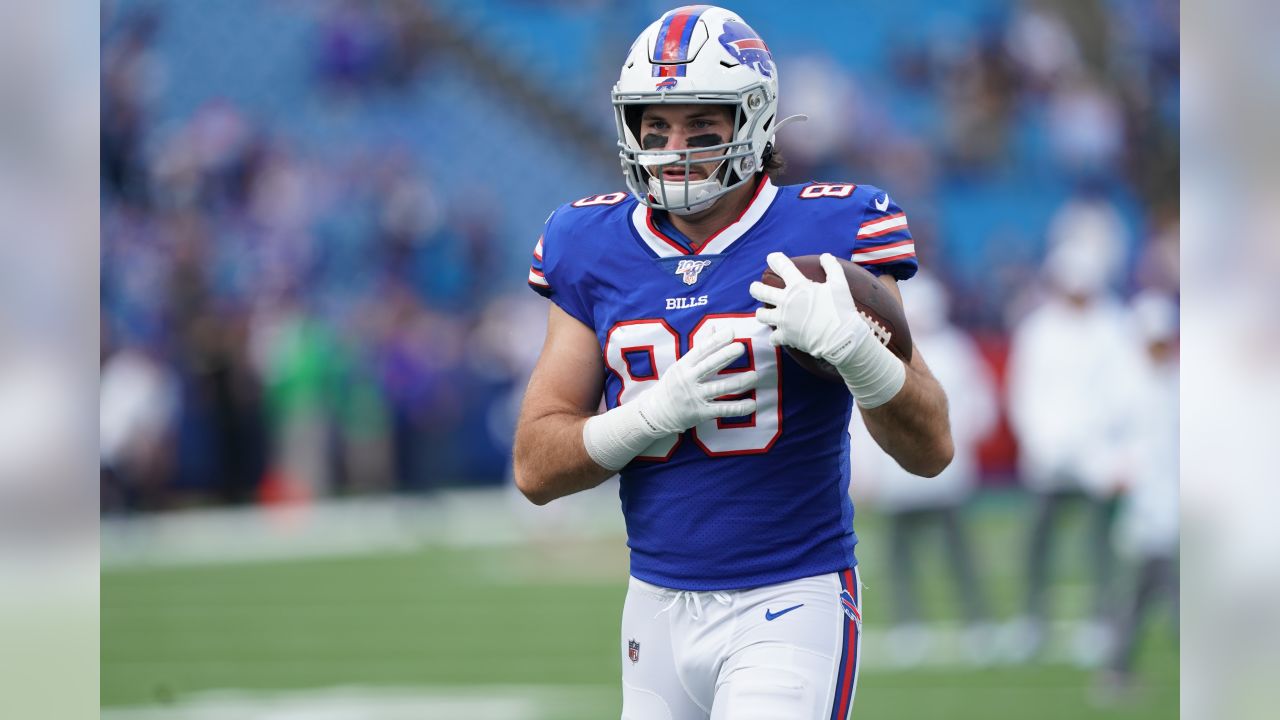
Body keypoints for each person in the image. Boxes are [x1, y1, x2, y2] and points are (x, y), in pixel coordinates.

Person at [513, 6, 952, 718]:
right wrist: (648, 415)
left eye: (699, 127)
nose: (673, 148)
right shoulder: (587, 242)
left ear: (752, 124)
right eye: (655, 128)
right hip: (653, 606)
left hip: (791, 595)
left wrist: (855, 352)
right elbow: (535, 466)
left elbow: (931, 447)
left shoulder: (834, 230)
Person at [1004, 203, 1146, 665]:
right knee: (1039, 543)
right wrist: (1041, 440)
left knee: (1101, 544)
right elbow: (1023, 391)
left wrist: (1109, 448)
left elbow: (1124, 394)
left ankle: (1104, 623)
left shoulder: (1114, 327)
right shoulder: (1038, 329)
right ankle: (1032, 621)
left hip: (1097, 456)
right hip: (1048, 456)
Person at [848, 271, 997, 668]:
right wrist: (864, 470)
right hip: (896, 477)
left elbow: (979, 406)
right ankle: (908, 624)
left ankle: (976, 621)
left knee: (958, 553)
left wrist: (956, 440)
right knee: (902, 557)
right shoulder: (881, 346)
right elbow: (861, 419)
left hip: (945, 473)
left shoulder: (956, 349)